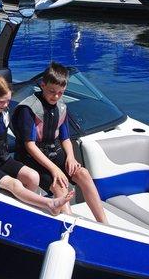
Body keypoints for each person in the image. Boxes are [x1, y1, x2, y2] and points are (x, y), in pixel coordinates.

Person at [0, 75, 73, 215]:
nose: (6, 105)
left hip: (2, 158)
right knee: (14, 184)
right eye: (2, 101)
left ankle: (27, 209)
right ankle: (50, 203)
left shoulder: (3, 110)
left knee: (33, 176)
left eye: (8, 100)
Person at [12, 62, 108, 224]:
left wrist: (70, 157)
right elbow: (29, 145)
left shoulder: (61, 107)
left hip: (54, 153)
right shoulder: (28, 109)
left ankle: (104, 224)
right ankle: (69, 224)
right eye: (51, 92)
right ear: (42, 85)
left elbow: (64, 138)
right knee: (60, 185)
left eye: (60, 93)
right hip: (32, 157)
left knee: (83, 174)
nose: (55, 96)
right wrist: (55, 170)